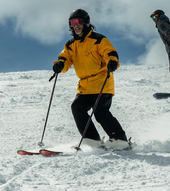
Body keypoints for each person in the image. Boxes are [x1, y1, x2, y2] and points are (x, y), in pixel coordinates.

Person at [52, 9, 129, 150]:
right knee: (77, 107)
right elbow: (65, 59)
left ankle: (120, 139)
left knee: (100, 111)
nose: (76, 25)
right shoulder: (70, 45)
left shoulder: (99, 39)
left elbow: (110, 53)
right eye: (72, 22)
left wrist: (112, 61)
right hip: (84, 86)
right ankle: (93, 140)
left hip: (101, 82)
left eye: (79, 21)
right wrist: (59, 65)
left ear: (86, 22)